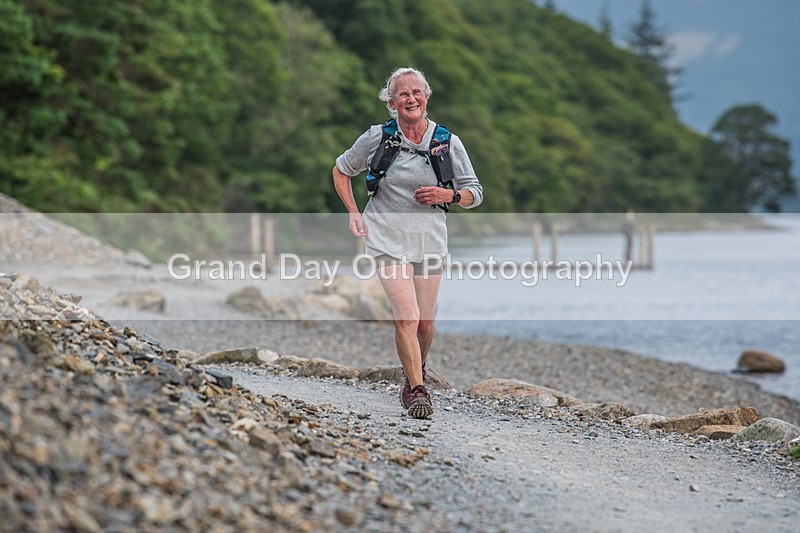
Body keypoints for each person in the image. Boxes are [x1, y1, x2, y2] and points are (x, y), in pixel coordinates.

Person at [332, 67, 483, 419]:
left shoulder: (447, 142)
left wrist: (449, 195)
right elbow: (341, 170)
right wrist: (353, 211)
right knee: (407, 318)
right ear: (391, 102)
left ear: (426, 97)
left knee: (425, 325)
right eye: (402, 94)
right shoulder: (377, 138)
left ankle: (416, 369)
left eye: (416, 92)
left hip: (429, 240)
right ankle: (416, 390)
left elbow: (475, 192)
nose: (410, 99)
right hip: (385, 236)